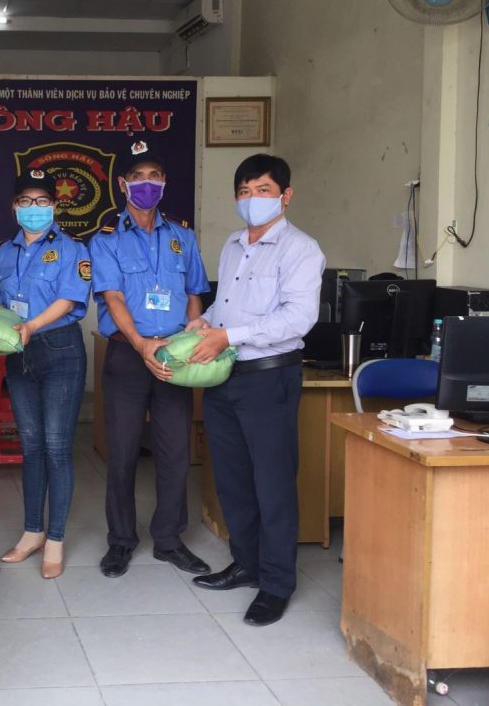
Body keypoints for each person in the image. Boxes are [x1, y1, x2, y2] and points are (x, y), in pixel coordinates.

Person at [184, 153, 324, 627]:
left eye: (263, 190)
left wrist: (229, 336)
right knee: (233, 480)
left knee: (273, 483)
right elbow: (227, 305)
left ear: (286, 196)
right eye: (244, 191)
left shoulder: (301, 249)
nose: (252, 199)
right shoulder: (232, 243)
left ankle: (277, 584)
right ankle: (246, 563)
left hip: (269, 378)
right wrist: (208, 322)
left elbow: (297, 318)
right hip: (225, 376)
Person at [88, 141, 211, 579]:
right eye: (137, 177)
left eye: (154, 176)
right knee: (122, 452)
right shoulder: (106, 239)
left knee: (175, 451)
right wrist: (141, 344)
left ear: (164, 182)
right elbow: (113, 298)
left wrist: (191, 333)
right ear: (122, 184)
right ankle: (120, 541)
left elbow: (195, 293)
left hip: (174, 355)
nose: (146, 184)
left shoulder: (182, 236)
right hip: (128, 354)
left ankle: (169, 539)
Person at [0, 168, 91, 579]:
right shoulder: (3, 253)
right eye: (26, 201)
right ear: (14, 206)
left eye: (42, 201)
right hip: (18, 354)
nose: (34, 208)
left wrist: (30, 326)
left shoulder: (72, 249)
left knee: (57, 447)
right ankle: (32, 533)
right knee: (31, 447)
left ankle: (56, 539)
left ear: (55, 206)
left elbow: (69, 299)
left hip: (60, 350)